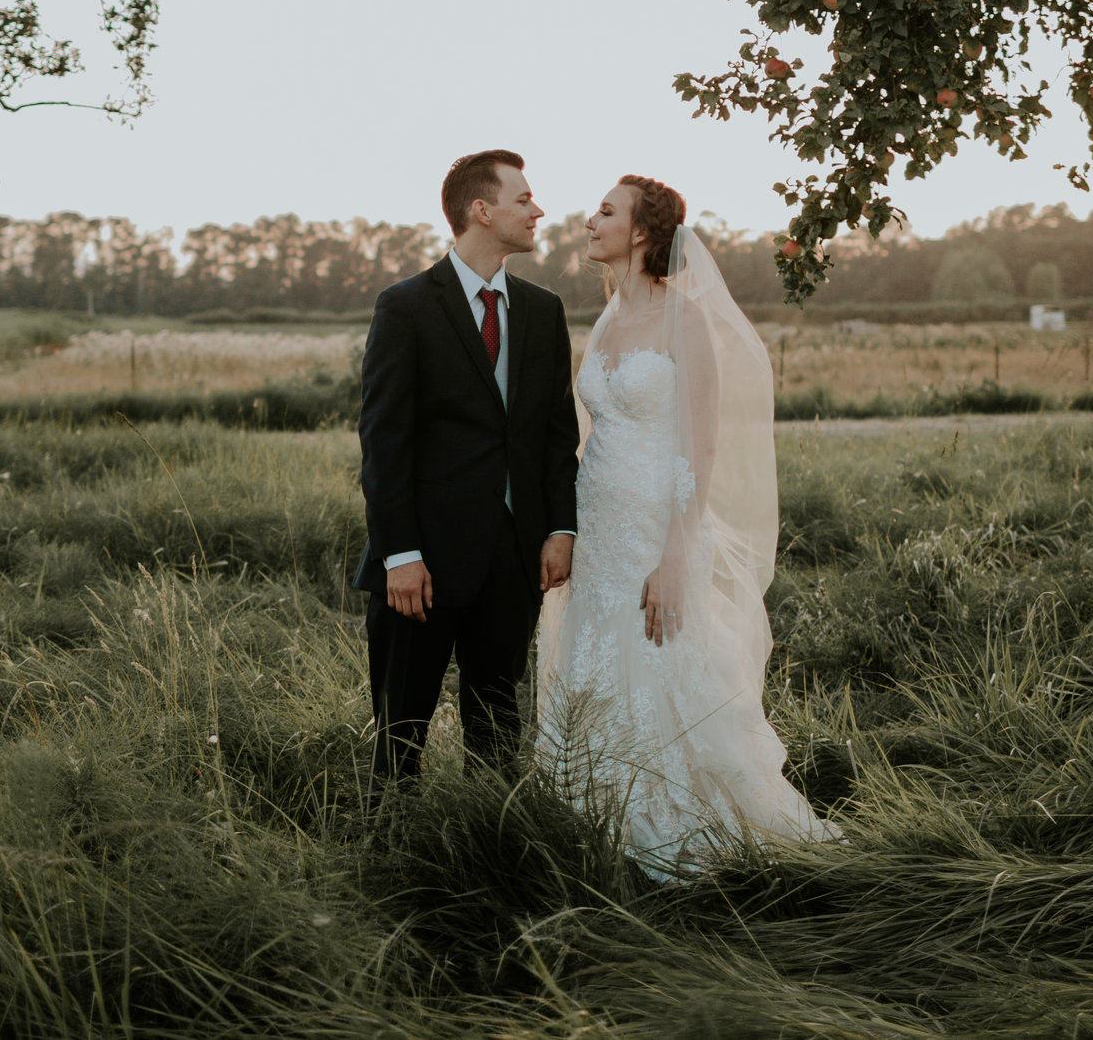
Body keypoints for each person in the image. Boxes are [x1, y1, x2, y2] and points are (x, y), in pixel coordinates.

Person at [536, 174, 837, 875]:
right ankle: (599, 827)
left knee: (664, 672)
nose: (591, 219)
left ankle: (689, 830)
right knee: (597, 674)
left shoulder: (686, 319)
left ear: (641, 232)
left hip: (656, 534)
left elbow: (699, 445)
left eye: (605, 211)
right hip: (601, 532)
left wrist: (675, 556)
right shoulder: (608, 317)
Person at [355, 149, 581, 789]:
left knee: (499, 739)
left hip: (514, 560)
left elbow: (555, 434)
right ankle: (391, 861)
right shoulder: (405, 307)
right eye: (523, 199)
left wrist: (561, 528)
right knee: (400, 739)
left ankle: (489, 863)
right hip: (420, 566)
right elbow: (384, 440)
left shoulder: (543, 310)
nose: (538, 210)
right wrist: (400, 553)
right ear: (481, 211)